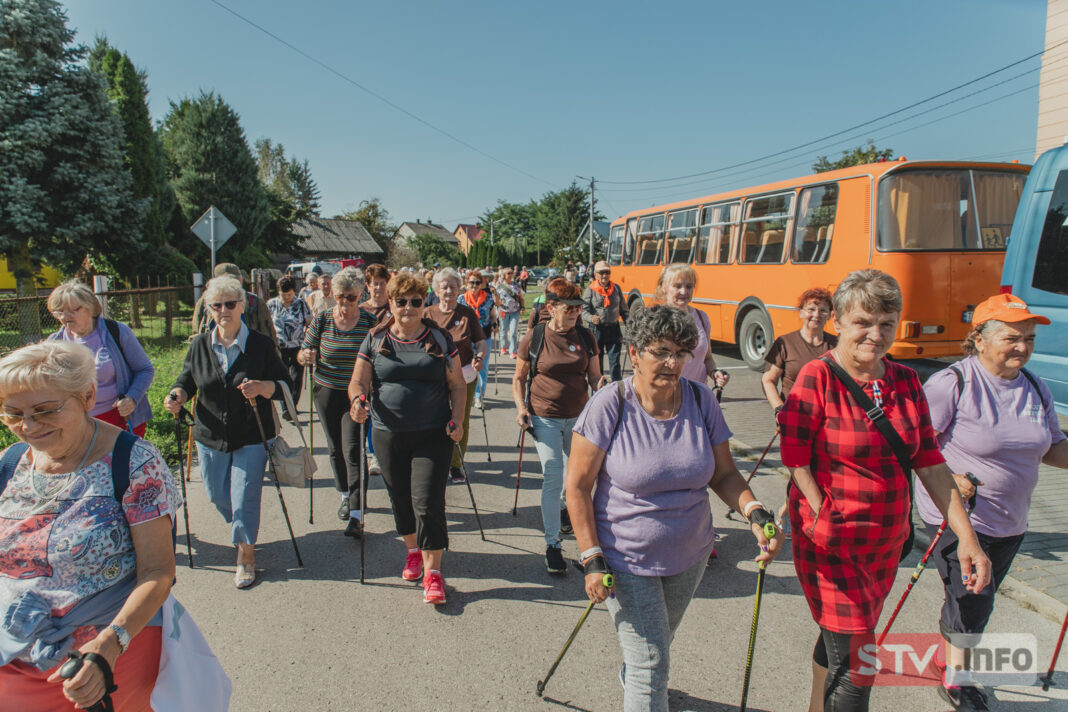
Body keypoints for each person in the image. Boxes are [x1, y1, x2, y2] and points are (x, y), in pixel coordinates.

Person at [779, 269, 991, 712]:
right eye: (863, 322)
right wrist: (821, 512)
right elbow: (795, 457)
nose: (875, 335)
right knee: (859, 664)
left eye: (886, 324)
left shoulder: (906, 380)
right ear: (838, 321)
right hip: (833, 545)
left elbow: (930, 463)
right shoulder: (817, 378)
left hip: (886, 543)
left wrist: (968, 538)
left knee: (843, 639)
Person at [566, 306, 783, 711]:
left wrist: (755, 511)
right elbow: (577, 486)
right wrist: (591, 556)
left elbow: (724, 475)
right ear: (634, 354)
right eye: (660, 351)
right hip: (624, 558)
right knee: (652, 663)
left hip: (690, 555)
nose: (672, 362)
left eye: (681, 352)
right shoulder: (609, 405)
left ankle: (636, 679)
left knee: (655, 646)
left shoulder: (700, 399)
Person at [0, 341, 183, 709]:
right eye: (12, 413)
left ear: (87, 397)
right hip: (13, 656)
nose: (29, 426)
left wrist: (110, 644)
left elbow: (158, 572)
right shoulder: (10, 461)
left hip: (101, 660)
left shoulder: (134, 462)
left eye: (45, 410)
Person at [918, 293, 1067, 712]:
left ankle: (951, 648)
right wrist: (952, 474)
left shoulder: (1035, 387)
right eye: (1011, 337)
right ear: (979, 339)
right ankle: (958, 680)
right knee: (972, 598)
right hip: (955, 514)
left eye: (1029, 338)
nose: (1022, 346)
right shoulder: (953, 383)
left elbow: (1052, 446)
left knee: (978, 599)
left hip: (1011, 518)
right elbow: (916, 446)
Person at [166, 275, 291, 589]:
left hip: (251, 435)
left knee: (245, 495)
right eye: (217, 305)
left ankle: (245, 556)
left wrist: (264, 387)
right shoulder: (199, 345)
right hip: (210, 435)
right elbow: (186, 381)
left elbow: (286, 384)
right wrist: (178, 395)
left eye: (230, 304)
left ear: (243, 306)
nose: (224, 310)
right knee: (217, 494)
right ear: (209, 309)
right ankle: (241, 528)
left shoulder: (260, 345)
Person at [349, 273, 466, 605]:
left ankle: (434, 574)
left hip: (433, 433)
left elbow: (457, 385)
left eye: (416, 301)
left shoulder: (440, 339)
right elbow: (358, 382)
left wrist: (457, 419)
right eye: (402, 301)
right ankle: (412, 550)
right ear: (391, 303)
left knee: (428, 501)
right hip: (387, 434)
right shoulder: (375, 339)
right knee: (399, 498)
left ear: (424, 302)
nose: (409, 308)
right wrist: (357, 401)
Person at [513, 278, 603, 574]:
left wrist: (603, 387)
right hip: (545, 417)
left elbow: (593, 376)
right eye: (570, 308)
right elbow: (519, 378)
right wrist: (521, 408)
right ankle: (553, 545)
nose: (576, 313)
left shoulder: (587, 337)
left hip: (580, 418)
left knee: (582, 479)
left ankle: (583, 534)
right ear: (551, 308)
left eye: (578, 308)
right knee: (553, 473)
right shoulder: (536, 337)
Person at [298, 267, 377, 537]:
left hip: (357, 393)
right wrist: (305, 356)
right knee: (335, 448)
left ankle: (356, 513)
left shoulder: (369, 322)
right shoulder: (322, 320)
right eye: (340, 296)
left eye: (351, 298)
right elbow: (304, 351)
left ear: (360, 295)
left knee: (353, 449)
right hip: (326, 390)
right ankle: (345, 494)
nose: (344, 303)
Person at [761, 287, 837, 529]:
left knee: (819, 469)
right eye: (811, 309)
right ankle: (794, 512)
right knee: (798, 467)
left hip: (828, 420)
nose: (816, 314)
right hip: (793, 418)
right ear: (801, 312)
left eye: (823, 310)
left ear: (830, 314)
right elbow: (768, 379)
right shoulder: (786, 342)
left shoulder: (836, 345)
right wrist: (778, 408)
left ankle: (789, 511)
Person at [46, 280, 155, 437]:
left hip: (121, 418)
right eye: (59, 312)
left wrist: (132, 398)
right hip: (78, 423)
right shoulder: (54, 344)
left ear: (90, 308)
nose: (65, 317)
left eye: (73, 310)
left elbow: (144, 369)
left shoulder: (116, 332)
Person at [426, 268, 487, 484]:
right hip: (434, 376)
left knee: (460, 419)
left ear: (458, 288)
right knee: (434, 419)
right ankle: (436, 461)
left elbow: (480, 342)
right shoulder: (427, 314)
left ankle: (455, 465)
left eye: (453, 286)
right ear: (436, 290)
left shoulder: (467, 313)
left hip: (464, 375)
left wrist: (479, 356)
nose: (449, 290)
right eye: (444, 287)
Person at [654, 264, 730, 391]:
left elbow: (707, 357)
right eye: (677, 286)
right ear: (664, 288)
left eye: (689, 286)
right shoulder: (656, 320)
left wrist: (715, 373)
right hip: (666, 396)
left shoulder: (701, 317)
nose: (684, 292)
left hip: (696, 395)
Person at [359, 263, 392, 476]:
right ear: (367, 286)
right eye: (374, 284)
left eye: (382, 283)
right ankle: (370, 452)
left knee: (380, 410)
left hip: (388, 366)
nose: (378, 288)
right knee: (366, 409)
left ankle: (378, 454)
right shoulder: (361, 310)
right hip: (364, 365)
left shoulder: (394, 308)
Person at [192, 263, 277, 340]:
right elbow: (197, 330)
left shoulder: (255, 302)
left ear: (241, 280)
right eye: (218, 306)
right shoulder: (206, 300)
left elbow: (268, 332)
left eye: (234, 280)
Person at [267, 275, 313, 408]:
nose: (287, 298)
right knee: (281, 376)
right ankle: (285, 406)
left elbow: (310, 323)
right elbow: (266, 323)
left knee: (296, 377)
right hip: (279, 346)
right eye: (283, 295)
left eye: (290, 294)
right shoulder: (272, 304)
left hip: (298, 346)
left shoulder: (300, 304)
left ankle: (292, 404)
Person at [582, 261, 630, 382]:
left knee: (615, 363)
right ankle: (599, 390)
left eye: (607, 272)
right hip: (597, 330)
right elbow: (583, 310)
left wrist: (630, 324)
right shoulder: (590, 289)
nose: (605, 275)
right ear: (595, 274)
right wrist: (591, 318)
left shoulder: (616, 288)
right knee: (597, 362)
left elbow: (624, 310)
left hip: (613, 329)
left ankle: (617, 389)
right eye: (601, 272)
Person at [459, 270, 496, 410]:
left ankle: (478, 397)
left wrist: (494, 323)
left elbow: (492, 316)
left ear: (481, 284)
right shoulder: (461, 299)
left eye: (477, 282)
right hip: (466, 338)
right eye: (471, 282)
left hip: (484, 337)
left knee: (482, 368)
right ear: (467, 283)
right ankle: (465, 394)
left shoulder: (488, 298)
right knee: (466, 367)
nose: (474, 285)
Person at [493, 267, 523, 358]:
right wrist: (495, 296)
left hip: (515, 311)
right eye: (508, 273)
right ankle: (503, 346)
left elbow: (521, 298)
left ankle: (513, 351)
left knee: (513, 331)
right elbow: (497, 302)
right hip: (503, 311)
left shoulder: (517, 285)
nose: (511, 275)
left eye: (511, 273)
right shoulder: (499, 287)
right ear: (504, 276)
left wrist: (523, 307)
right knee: (503, 330)